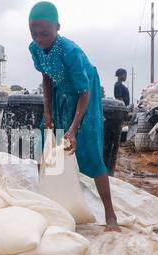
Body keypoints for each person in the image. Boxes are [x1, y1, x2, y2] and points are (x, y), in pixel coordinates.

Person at [29, 1, 121, 232]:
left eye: (45, 33)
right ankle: (52, 202)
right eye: (34, 33)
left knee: (88, 150)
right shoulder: (34, 49)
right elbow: (47, 79)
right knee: (48, 145)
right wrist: (47, 113)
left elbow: (84, 90)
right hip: (61, 93)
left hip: (84, 96)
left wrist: (74, 127)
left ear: (57, 27)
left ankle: (111, 216)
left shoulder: (70, 51)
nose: (39, 38)